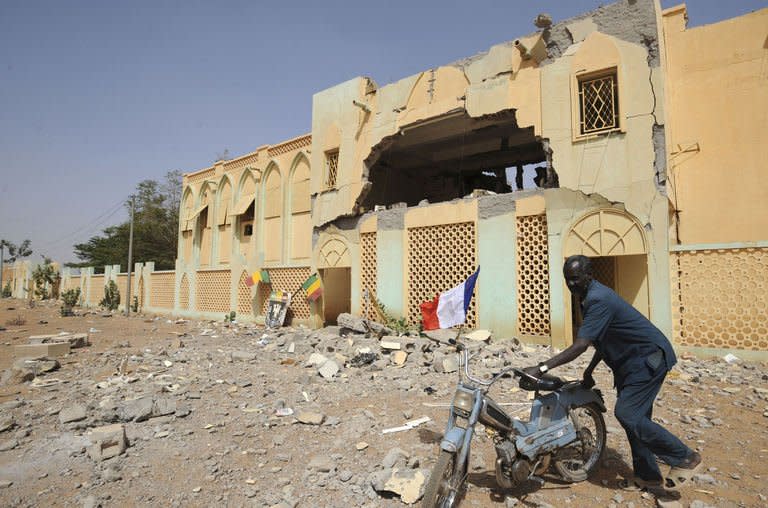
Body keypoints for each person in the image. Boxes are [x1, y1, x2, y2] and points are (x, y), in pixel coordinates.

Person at [523, 255, 702, 489]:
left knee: (628, 414)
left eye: (576, 279)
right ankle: (648, 476)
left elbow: (581, 344)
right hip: (631, 362)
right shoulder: (587, 296)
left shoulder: (598, 299)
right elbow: (602, 338)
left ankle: (685, 457)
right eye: (567, 279)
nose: (571, 284)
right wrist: (589, 371)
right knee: (637, 418)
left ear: (589, 275)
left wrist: (542, 367)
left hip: (648, 360)